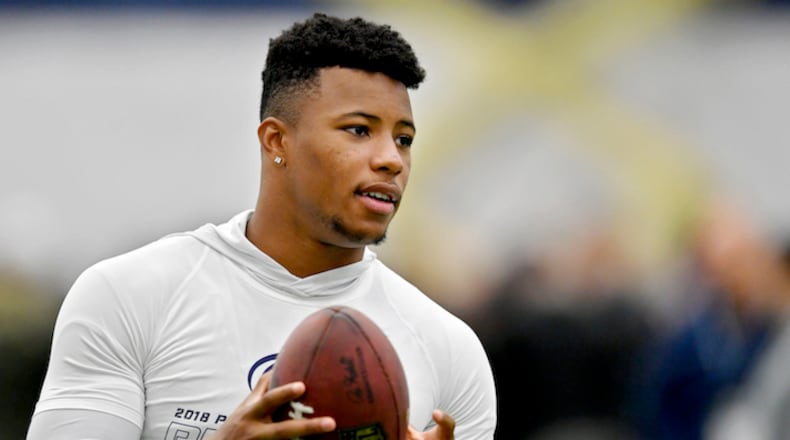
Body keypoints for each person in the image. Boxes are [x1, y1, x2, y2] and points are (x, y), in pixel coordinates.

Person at [27, 13, 497, 440]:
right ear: (277, 140)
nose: (391, 160)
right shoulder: (130, 296)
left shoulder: (450, 349)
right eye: (359, 130)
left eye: (404, 139)